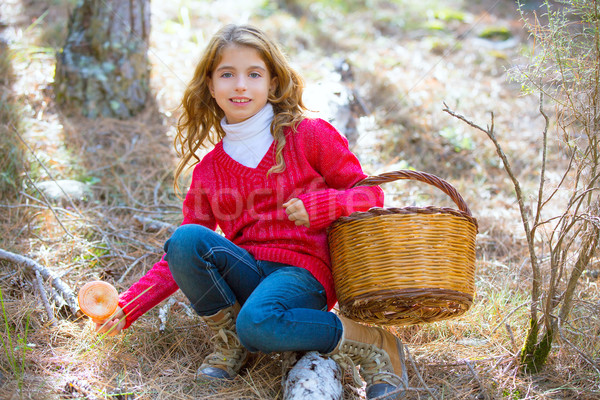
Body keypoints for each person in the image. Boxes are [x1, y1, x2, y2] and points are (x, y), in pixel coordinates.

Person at [94, 24, 405, 399]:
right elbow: (177, 259)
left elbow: (370, 194)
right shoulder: (209, 169)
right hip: (250, 271)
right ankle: (233, 342)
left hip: (304, 274)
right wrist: (129, 306)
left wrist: (322, 205)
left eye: (253, 74)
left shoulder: (309, 134)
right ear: (210, 85)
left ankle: (373, 344)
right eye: (227, 74)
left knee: (257, 322)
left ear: (273, 83)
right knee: (185, 240)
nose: (240, 85)